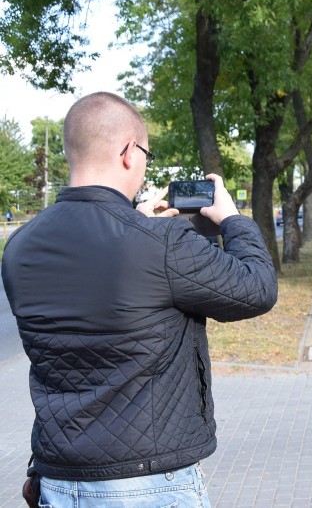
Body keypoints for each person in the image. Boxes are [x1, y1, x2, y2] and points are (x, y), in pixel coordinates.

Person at [1, 92, 278, 507]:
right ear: (129, 152)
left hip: (58, 481)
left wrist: (136, 225)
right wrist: (232, 218)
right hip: (147, 483)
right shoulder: (158, 243)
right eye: (146, 153)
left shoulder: (20, 246)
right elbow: (257, 288)